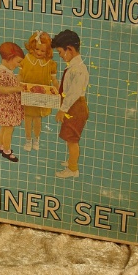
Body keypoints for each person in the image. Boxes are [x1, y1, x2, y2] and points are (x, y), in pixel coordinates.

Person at [51, 30, 89, 178]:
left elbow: (73, 93)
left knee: (72, 140)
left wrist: (62, 109)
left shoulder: (78, 69)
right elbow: (67, 87)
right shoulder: (73, 66)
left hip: (76, 107)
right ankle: (71, 161)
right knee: (69, 138)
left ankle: (73, 169)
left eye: (60, 52)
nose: (60, 56)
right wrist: (55, 83)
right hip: (72, 106)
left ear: (70, 49)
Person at [18, 31, 59, 152]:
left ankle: (36, 138)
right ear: (32, 47)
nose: (39, 53)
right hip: (27, 95)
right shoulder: (27, 59)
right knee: (27, 118)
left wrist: (58, 87)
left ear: (48, 51)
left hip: (42, 97)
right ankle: (28, 139)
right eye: (37, 49)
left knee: (37, 119)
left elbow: (54, 79)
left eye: (43, 51)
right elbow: (20, 75)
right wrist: (16, 83)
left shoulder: (50, 64)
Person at [0, 42, 25, 162]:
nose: (18, 64)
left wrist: (20, 76)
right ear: (10, 58)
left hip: (7, 106)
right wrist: (16, 89)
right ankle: (7, 151)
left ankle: (1, 146)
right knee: (8, 129)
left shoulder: (6, 71)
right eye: (18, 61)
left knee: (4, 127)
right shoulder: (1, 72)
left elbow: (14, 81)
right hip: (6, 107)